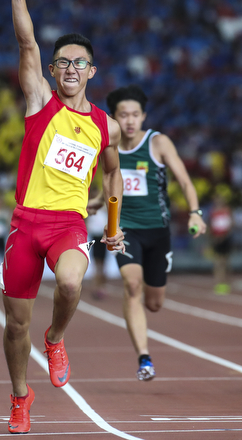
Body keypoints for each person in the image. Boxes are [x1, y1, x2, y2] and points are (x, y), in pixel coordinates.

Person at [0, 0, 125, 434]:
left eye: (80, 62)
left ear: (92, 71)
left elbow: (113, 178)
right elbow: (26, 43)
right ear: (53, 71)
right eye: (63, 62)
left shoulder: (105, 126)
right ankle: (19, 396)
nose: (71, 68)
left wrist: (112, 229)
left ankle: (55, 338)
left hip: (68, 225)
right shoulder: (40, 103)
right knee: (14, 327)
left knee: (71, 284)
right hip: (25, 223)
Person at [89, 84, 206, 383]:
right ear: (113, 118)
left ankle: (145, 325)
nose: (129, 121)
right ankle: (144, 357)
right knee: (131, 285)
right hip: (125, 229)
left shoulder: (158, 143)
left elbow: (185, 181)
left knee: (154, 303)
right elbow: (111, 183)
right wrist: (95, 204)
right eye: (123, 115)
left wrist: (195, 212)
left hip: (158, 230)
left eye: (135, 115)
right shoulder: (107, 145)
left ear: (143, 116)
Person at [85, 196, 110, 300]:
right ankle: (97, 287)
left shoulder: (105, 207)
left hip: (103, 236)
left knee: (102, 264)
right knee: (97, 264)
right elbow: (86, 220)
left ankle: (101, 287)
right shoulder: (90, 206)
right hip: (95, 236)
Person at [209, 194, 234, 294]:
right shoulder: (213, 212)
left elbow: (230, 224)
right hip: (217, 239)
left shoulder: (227, 211)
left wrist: (224, 236)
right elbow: (212, 226)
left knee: (225, 262)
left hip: (225, 239)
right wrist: (215, 238)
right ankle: (218, 283)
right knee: (218, 262)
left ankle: (226, 283)